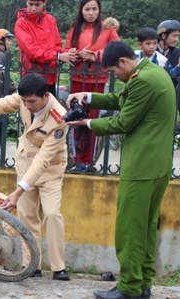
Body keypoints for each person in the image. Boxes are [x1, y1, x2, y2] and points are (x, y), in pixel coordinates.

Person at [65, 41, 176, 299]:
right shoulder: (153, 73)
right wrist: (88, 97)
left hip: (141, 166)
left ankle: (128, 289)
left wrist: (88, 122)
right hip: (157, 165)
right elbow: (121, 99)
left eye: (114, 72)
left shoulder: (143, 81)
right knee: (145, 227)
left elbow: (124, 121)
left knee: (129, 229)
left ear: (124, 62)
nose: (115, 76)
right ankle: (142, 284)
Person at [0, 73, 70, 281]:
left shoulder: (60, 118)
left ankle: (58, 268)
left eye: (32, 102)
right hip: (25, 166)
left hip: (50, 172)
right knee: (27, 219)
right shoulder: (24, 99)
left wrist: (18, 191)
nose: (26, 106)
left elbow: (43, 160)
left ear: (46, 96)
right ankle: (32, 266)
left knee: (52, 215)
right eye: (24, 101)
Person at [64, 0, 119, 168]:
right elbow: (66, 52)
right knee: (75, 120)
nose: (90, 13)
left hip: (98, 80)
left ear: (99, 10)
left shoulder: (108, 29)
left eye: (94, 9)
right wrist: (78, 54)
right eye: (87, 9)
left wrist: (95, 55)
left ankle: (88, 161)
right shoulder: (74, 30)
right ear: (81, 10)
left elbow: (116, 49)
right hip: (77, 79)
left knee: (92, 120)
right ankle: (76, 159)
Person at [14, 0, 77, 96]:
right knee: (32, 108)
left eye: (37, 4)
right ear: (26, 2)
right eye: (30, 4)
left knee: (50, 109)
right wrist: (59, 56)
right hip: (31, 76)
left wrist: (69, 53)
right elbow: (32, 52)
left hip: (50, 76)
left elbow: (56, 46)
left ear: (44, 3)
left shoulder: (50, 20)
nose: (34, 8)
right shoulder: (21, 23)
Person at [157, 20, 180, 86]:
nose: (176, 39)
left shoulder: (178, 53)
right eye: (174, 36)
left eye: (177, 36)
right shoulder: (151, 52)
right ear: (164, 35)